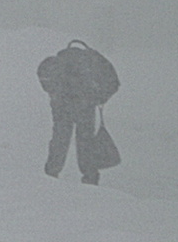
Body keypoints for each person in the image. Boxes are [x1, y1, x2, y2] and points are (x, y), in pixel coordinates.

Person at [37, 39, 120, 184]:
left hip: (62, 106)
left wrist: (55, 94)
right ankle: (90, 176)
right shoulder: (92, 60)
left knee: (60, 139)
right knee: (85, 141)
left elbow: (46, 81)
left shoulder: (56, 62)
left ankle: (51, 173)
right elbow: (114, 82)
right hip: (85, 105)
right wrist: (100, 98)